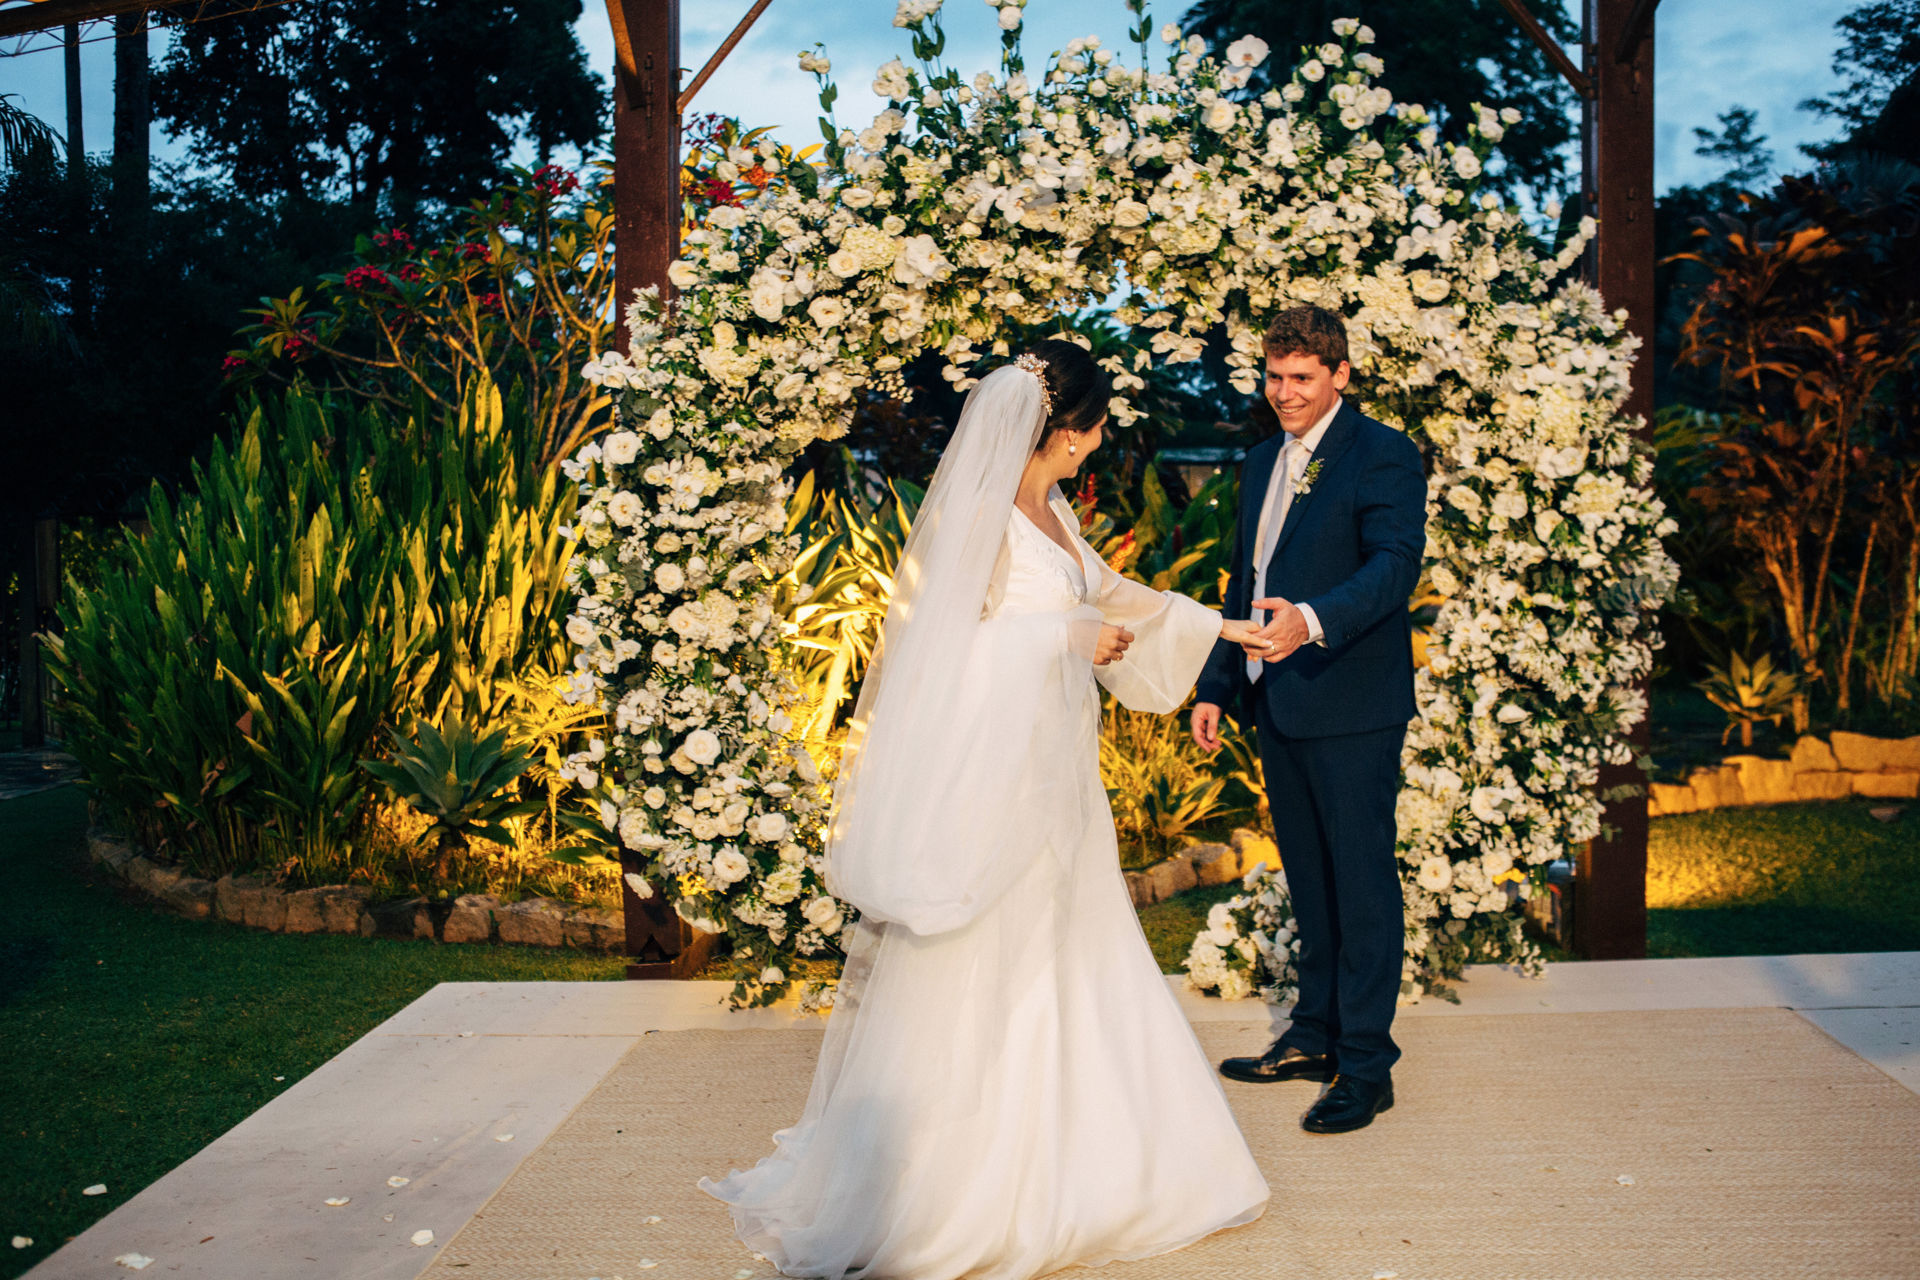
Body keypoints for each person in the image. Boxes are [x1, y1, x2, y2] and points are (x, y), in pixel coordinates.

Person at [701, 339, 1271, 1279]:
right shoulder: (980, 516)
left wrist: (1218, 625)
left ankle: (1102, 1156)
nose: (1093, 449)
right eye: (1087, 433)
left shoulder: (1051, 510)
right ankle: (959, 1181)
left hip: (1058, 778)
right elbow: (950, 653)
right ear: (1058, 427)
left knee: (1070, 945)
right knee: (985, 962)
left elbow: (1110, 596)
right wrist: (1068, 636)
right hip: (995, 779)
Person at [1193, 305, 1427, 1135]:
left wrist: (1311, 620)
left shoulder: (1384, 453)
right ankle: (1313, 1037)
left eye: (1301, 378)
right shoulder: (1261, 459)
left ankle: (1366, 1066)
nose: (1284, 393)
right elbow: (1245, 576)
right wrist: (1219, 681)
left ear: (1340, 378)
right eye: (1274, 375)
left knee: (1360, 884)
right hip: (1275, 700)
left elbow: (1394, 567)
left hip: (1351, 698)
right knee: (1310, 880)